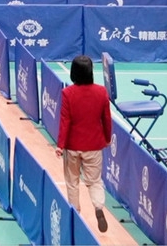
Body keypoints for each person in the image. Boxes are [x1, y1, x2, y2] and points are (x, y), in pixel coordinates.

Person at [57, 55, 112, 234]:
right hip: (94, 145)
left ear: (73, 72)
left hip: (72, 146)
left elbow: (65, 121)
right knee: (94, 181)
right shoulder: (102, 92)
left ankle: (75, 215)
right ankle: (98, 207)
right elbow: (106, 119)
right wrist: (107, 138)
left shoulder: (68, 93)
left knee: (72, 182)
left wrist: (60, 145)